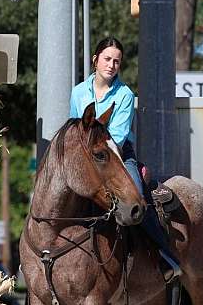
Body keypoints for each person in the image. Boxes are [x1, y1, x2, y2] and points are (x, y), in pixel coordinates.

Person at [69, 36, 180, 281]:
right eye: (107, 59)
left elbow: (116, 137)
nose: (111, 65)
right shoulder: (78, 92)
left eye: (117, 62)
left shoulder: (125, 95)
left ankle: (164, 255)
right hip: (86, 158)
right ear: (95, 60)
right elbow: (73, 128)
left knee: (135, 199)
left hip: (117, 155)